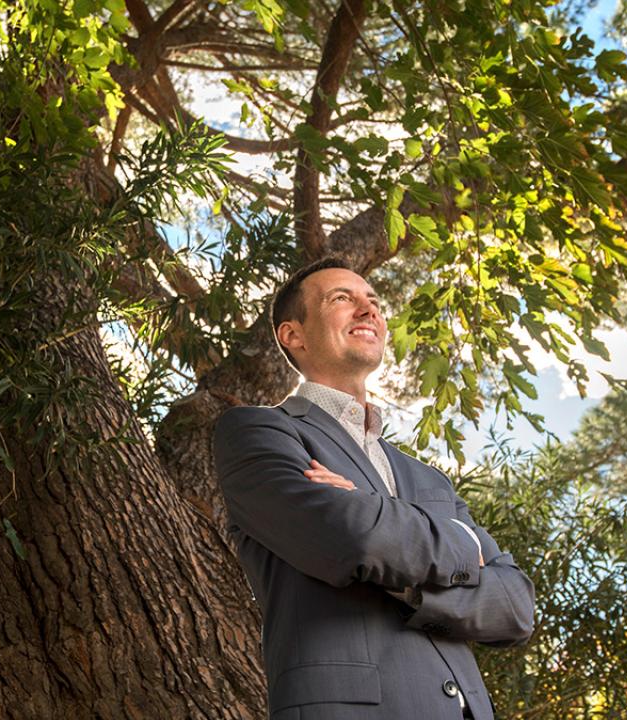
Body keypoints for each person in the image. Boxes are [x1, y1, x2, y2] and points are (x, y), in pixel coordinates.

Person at [213, 257, 535, 719]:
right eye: (342, 299)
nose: (369, 311)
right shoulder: (257, 431)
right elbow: (350, 536)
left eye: (374, 302)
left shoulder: (429, 479)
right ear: (293, 335)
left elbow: (515, 607)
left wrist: (407, 581)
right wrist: (465, 545)